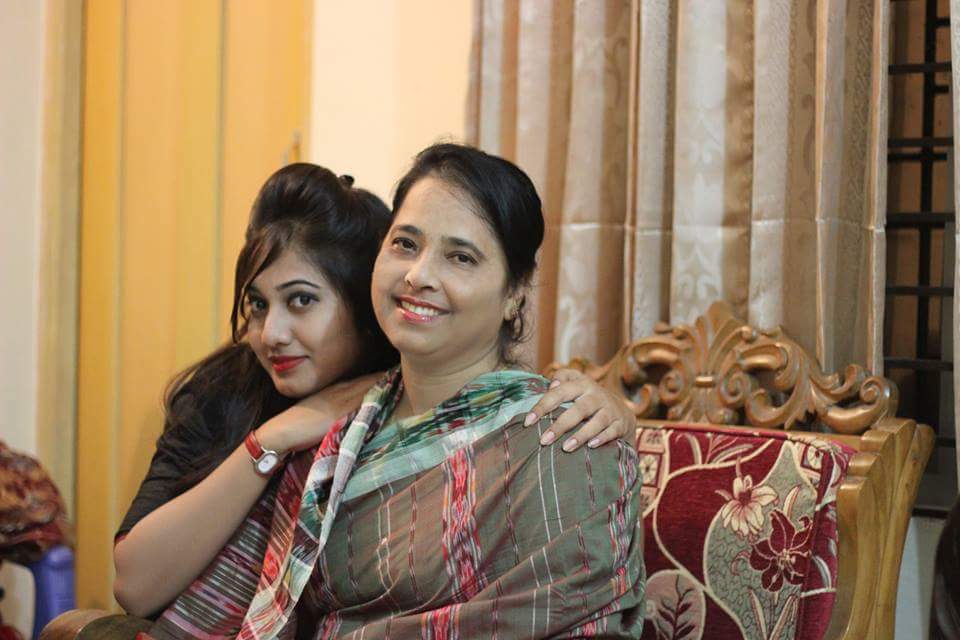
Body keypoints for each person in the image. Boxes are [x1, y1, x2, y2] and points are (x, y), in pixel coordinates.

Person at [146, 145, 645, 638]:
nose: (418, 275)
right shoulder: (334, 435)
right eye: (405, 244)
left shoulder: (569, 442)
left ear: (515, 293)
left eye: (460, 257)